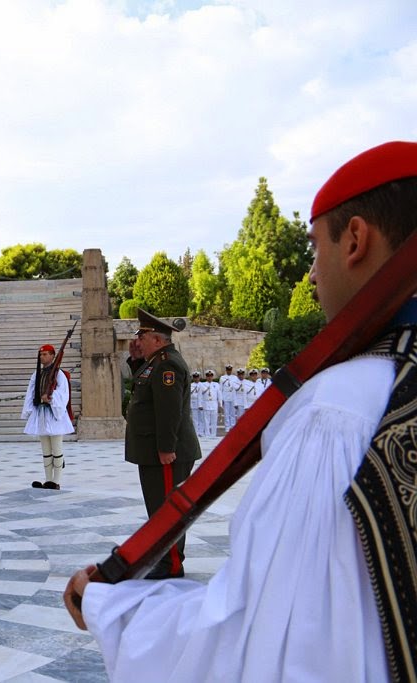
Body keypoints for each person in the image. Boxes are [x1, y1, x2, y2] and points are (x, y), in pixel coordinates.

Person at [64, 140, 417, 682]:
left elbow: (260, 641)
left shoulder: (338, 412)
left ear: (355, 240)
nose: (311, 276)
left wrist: (114, 610)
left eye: (314, 249)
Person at [123, 309, 202, 579]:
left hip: (167, 453)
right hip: (154, 451)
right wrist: (135, 360)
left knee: (166, 509)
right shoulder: (155, 361)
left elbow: (169, 411)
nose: (138, 341)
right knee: (158, 508)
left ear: (157, 339)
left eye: (141, 336)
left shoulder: (167, 364)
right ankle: (163, 557)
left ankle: (171, 564)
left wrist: (167, 448)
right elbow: (143, 387)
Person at [21, 343, 74, 489]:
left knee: (56, 448)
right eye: (41, 354)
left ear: (52, 355)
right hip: (42, 414)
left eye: (45, 354)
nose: (42, 357)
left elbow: (63, 394)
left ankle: (56, 481)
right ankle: (48, 479)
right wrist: (34, 404)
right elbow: (31, 392)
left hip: (54, 415)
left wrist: (50, 397)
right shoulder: (37, 374)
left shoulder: (59, 374)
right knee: (45, 449)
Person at [219, 364, 238, 431]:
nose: (229, 371)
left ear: (231, 370)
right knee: (226, 413)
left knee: (233, 413)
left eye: (230, 370)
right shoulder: (222, 378)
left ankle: (233, 426)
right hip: (225, 397)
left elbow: (236, 388)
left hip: (233, 397)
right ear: (226, 370)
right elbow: (220, 389)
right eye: (228, 370)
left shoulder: (235, 378)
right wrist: (221, 400)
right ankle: (227, 427)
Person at [201, 370, 219, 437]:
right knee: (206, 420)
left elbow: (219, 395)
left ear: (212, 377)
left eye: (211, 376)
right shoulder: (202, 385)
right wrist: (200, 404)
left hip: (214, 403)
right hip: (206, 403)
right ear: (206, 377)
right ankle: (207, 434)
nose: (209, 377)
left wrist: (220, 404)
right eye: (208, 376)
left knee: (214, 420)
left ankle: (213, 434)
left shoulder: (216, 385)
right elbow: (200, 395)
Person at [189, 371, 203, 436]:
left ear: (199, 377)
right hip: (194, 403)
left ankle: (201, 432)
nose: (196, 379)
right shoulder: (191, 385)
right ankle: (196, 433)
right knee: (195, 419)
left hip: (202, 403)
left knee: (201, 418)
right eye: (195, 377)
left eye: (197, 377)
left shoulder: (203, 385)